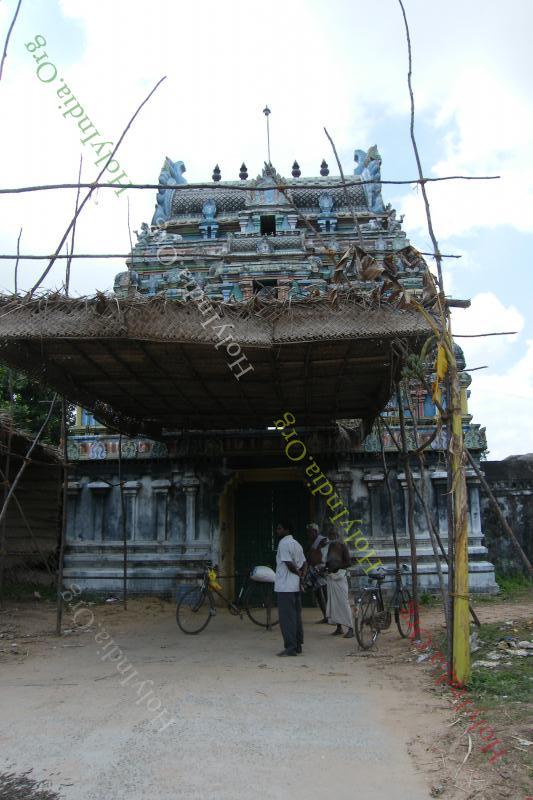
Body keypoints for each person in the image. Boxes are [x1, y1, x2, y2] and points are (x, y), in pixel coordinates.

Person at [274, 521, 306, 657]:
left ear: (287, 530)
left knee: (287, 619)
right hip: (295, 586)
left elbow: (288, 563)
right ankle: (297, 645)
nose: (277, 531)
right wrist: (302, 576)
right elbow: (304, 563)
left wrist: (298, 574)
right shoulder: (297, 544)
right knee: (296, 617)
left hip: (285, 587)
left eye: (279, 528)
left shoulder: (283, 543)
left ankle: (290, 647)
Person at [324, 524, 354, 639]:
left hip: (340, 577)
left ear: (337, 535)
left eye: (333, 535)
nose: (331, 537)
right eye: (330, 535)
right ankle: (339, 628)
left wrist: (336, 567)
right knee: (334, 605)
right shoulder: (330, 547)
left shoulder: (342, 546)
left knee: (343, 603)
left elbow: (348, 563)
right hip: (331, 577)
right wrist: (325, 568)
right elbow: (328, 562)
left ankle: (351, 629)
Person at [305, 522, 328, 623]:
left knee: (326, 593)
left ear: (315, 531)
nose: (309, 534)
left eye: (310, 532)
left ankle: (331, 617)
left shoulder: (322, 540)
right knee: (318, 593)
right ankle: (325, 616)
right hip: (313, 570)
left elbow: (325, 554)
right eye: (308, 532)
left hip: (322, 569)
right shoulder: (311, 542)